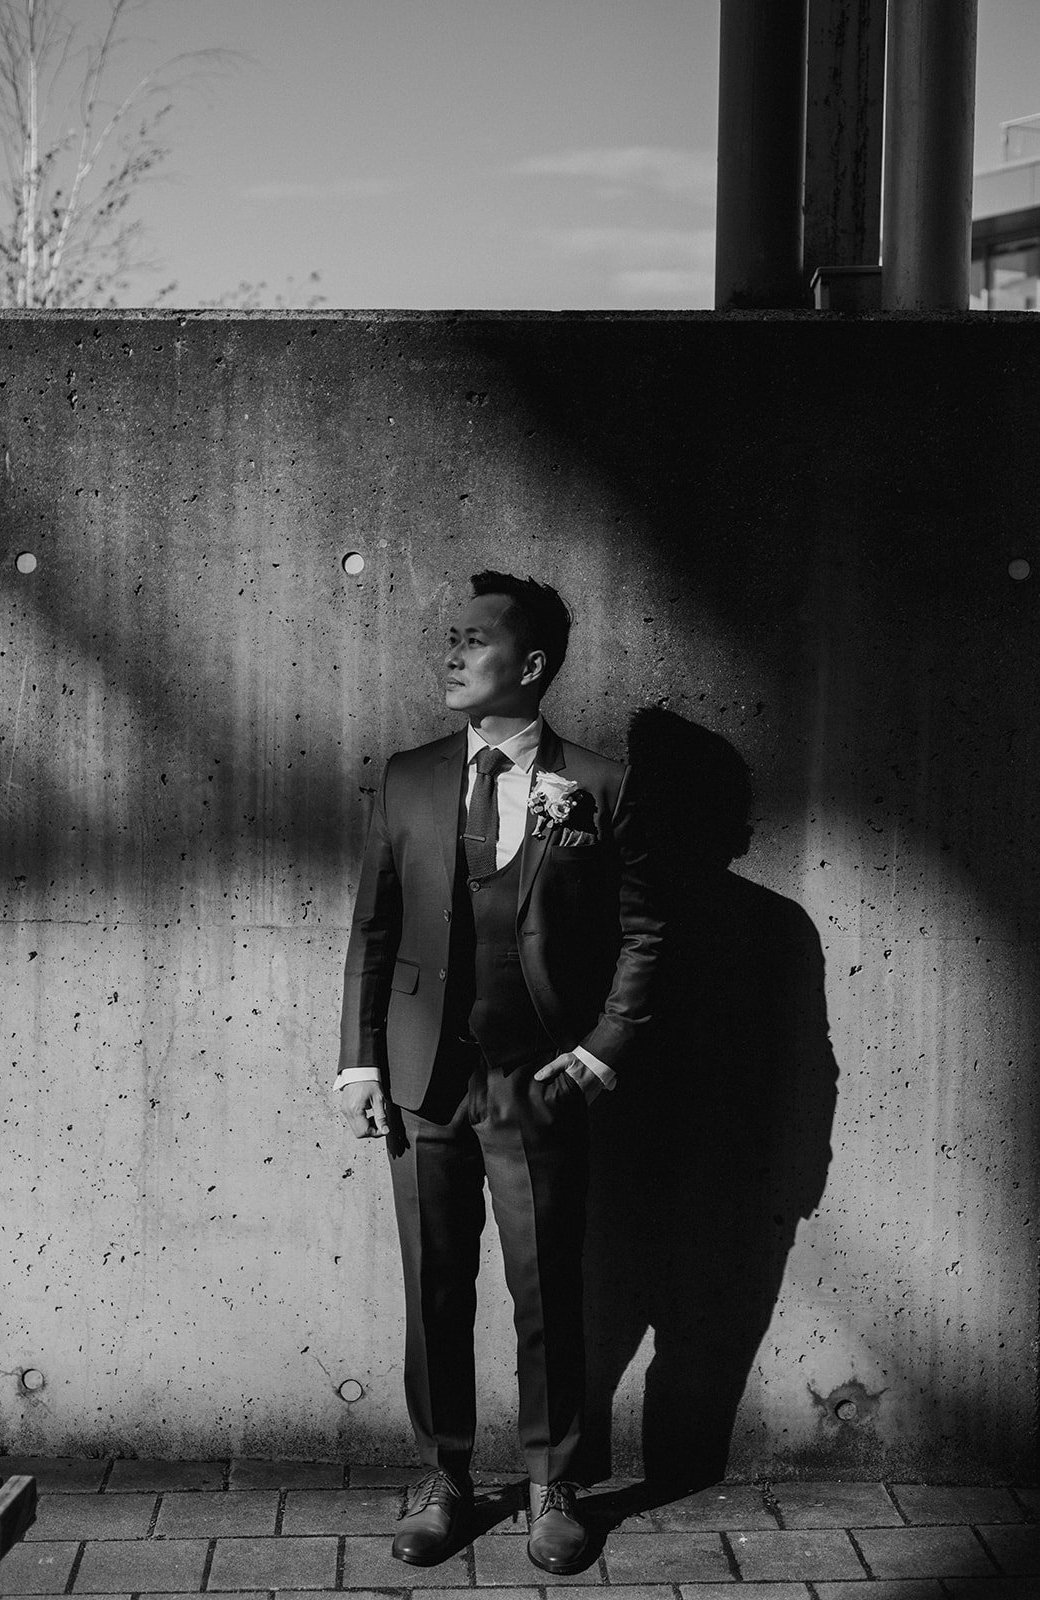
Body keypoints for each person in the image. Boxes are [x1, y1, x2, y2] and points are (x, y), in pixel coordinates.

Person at [336, 570, 663, 1573]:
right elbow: (374, 926)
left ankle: (553, 1486)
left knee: (544, 1288)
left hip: (537, 1077)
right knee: (433, 1287)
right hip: (422, 1075)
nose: (449, 650)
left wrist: (601, 1055)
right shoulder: (407, 775)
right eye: (447, 632)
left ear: (528, 665)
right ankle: (444, 1478)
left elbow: (642, 935)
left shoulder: (599, 785)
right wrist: (357, 1063)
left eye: (471, 638)